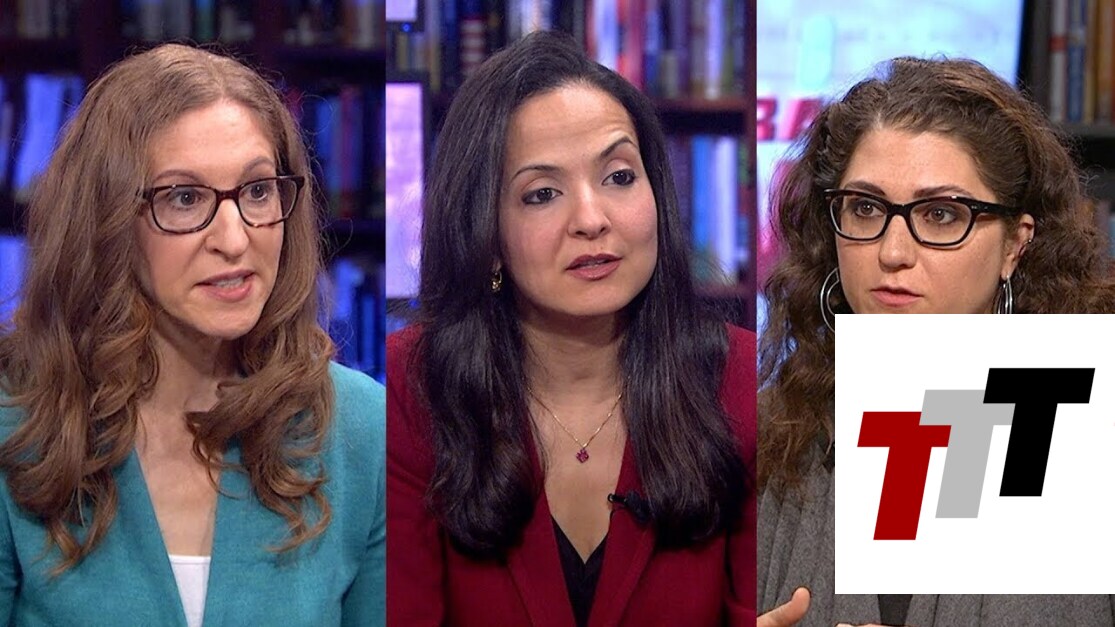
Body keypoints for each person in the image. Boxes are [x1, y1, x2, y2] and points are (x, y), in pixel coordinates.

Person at [0, 44, 384, 626]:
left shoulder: (363, 431)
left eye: (258, 190)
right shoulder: (16, 425)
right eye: (184, 198)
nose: (234, 239)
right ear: (107, 221)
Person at [387, 30, 755, 626]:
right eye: (542, 194)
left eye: (619, 177)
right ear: (486, 233)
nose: (591, 219)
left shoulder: (744, 380)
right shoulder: (409, 388)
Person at [757, 56, 1115, 627]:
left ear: (1015, 245)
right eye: (866, 208)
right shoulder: (767, 432)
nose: (893, 252)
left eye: (942, 214)